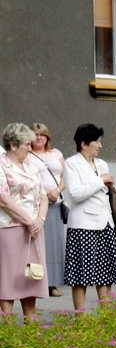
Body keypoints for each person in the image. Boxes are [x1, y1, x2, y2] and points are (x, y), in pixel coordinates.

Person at [63, 123, 116, 310]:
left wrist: (110, 184)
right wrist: (100, 180)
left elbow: (105, 191)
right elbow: (75, 194)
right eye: (97, 141)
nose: (100, 145)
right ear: (84, 144)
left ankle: (106, 317)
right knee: (81, 276)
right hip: (83, 225)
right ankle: (80, 319)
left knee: (105, 274)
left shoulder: (101, 163)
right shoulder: (72, 163)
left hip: (105, 223)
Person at [0, 123, 48, 318]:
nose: (30, 148)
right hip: (10, 228)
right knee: (8, 281)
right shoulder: (1, 164)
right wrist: (29, 221)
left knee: (31, 279)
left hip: (35, 229)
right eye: (26, 144)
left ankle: (31, 334)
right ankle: (8, 335)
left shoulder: (30, 166)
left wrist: (40, 219)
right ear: (13, 145)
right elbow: (3, 198)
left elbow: (43, 195)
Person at [29, 123, 66, 298]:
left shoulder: (56, 153)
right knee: (39, 245)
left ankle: (53, 283)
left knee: (55, 244)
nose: (39, 137)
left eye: (42, 134)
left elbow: (66, 176)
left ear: (47, 137)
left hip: (56, 203)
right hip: (37, 205)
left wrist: (57, 191)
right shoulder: (27, 155)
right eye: (35, 134)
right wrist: (44, 194)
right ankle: (37, 282)